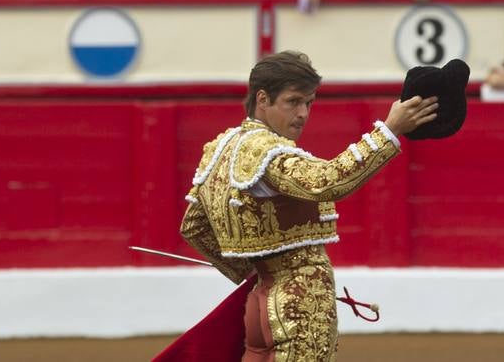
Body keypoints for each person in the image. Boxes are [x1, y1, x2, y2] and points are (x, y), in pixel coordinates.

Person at [180, 51, 438, 361]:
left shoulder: (221, 148)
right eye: (293, 101)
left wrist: (260, 272)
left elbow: (194, 226)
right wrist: (389, 132)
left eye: (309, 102)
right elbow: (326, 183)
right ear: (262, 99)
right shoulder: (268, 152)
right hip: (299, 302)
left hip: (259, 303)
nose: (303, 113)